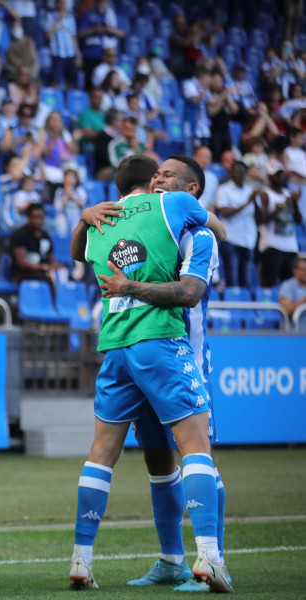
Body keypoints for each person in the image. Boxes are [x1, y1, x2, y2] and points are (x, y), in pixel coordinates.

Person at [67, 154, 232, 593]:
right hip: (151, 345)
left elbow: (194, 285)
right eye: (156, 174)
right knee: (162, 460)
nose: (161, 178)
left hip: (179, 352)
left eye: (169, 175)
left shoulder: (192, 231)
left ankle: (211, 556)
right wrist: (87, 217)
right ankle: (175, 559)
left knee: (191, 455)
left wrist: (87, 222)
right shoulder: (149, 214)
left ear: (190, 189)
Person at [215, 162, 259, 288]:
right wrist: (247, 202)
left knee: (247, 282)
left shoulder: (250, 191)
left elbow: (259, 218)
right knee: (232, 281)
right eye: (236, 171)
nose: (239, 174)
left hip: (249, 240)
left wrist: (255, 201)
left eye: (242, 172)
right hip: (231, 239)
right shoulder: (223, 189)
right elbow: (224, 212)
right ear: (230, 173)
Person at [258, 168, 303, 288]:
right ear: (271, 177)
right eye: (278, 175)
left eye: (282, 175)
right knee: (269, 283)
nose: (282, 178)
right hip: (272, 246)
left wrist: (294, 203)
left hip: (290, 247)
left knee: (289, 285)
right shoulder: (265, 194)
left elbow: (299, 220)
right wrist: (283, 204)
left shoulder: (288, 194)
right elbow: (262, 219)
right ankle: (267, 306)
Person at [77, 0, 123, 87]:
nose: (103, 4)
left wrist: (111, 30)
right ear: (96, 3)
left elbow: (122, 34)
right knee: (91, 85)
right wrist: (94, 30)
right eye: (101, 2)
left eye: (105, 2)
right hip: (92, 56)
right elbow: (80, 33)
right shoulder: (88, 15)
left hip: (108, 57)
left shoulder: (113, 15)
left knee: (110, 82)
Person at [10, 202, 59, 284]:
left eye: (41, 217)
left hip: (43, 272)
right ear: (28, 217)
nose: (39, 221)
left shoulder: (46, 236)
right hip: (23, 274)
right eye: (36, 217)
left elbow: (51, 259)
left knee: (65, 276)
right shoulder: (19, 235)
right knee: (47, 280)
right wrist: (43, 268)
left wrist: (57, 266)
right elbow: (22, 263)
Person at [44, 0, 81, 89]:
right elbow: (48, 35)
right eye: (60, 3)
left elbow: (73, 37)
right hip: (57, 54)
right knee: (55, 82)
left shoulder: (70, 18)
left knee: (70, 83)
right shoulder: (50, 16)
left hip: (70, 53)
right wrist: (57, 20)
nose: (62, 5)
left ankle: (68, 101)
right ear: (56, 4)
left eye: (63, 3)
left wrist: (78, 54)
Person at [106, 115, 144, 180]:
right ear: (122, 128)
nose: (130, 131)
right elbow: (115, 164)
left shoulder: (141, 145)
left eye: (132, 129)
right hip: (120, 177)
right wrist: (132, 150)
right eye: (127, 128)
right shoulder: (114, 144)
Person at [279, 256, 306, 326]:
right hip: (296, 332)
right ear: (295, 270)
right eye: (303, 270)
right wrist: (304, 300)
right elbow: (286, 311)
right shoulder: (287, 286)